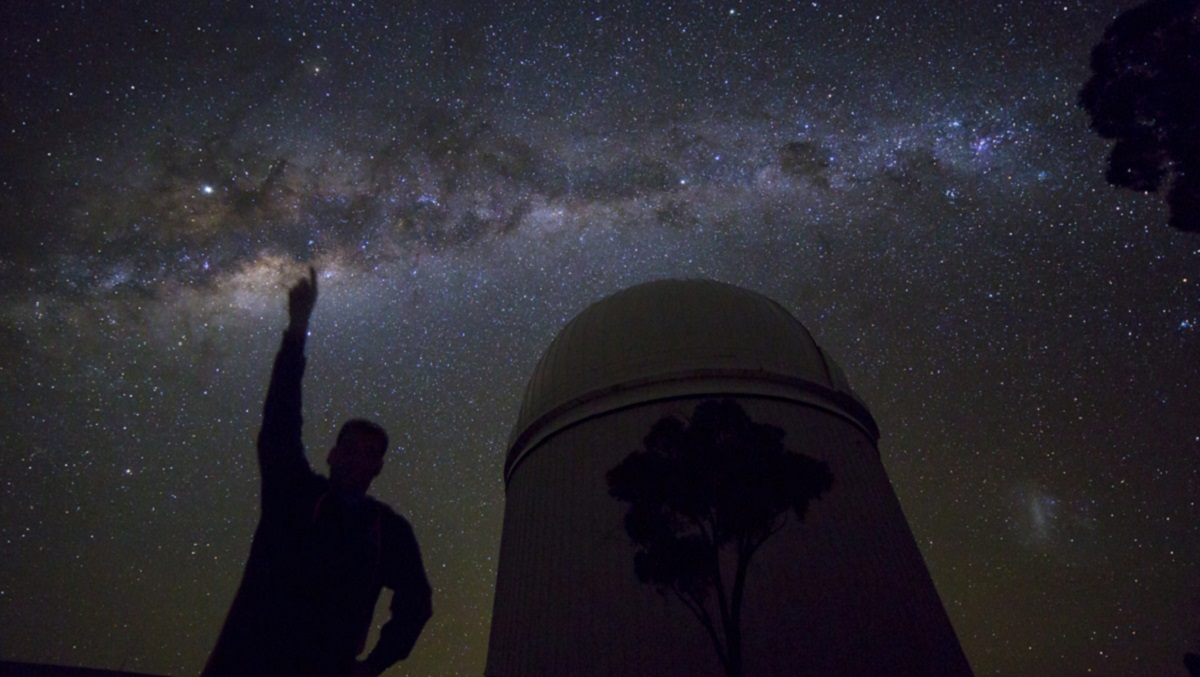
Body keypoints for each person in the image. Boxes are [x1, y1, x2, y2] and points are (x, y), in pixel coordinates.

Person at [203, 267, 432, 677]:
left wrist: (374, 665)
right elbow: (280, 422)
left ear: (378, 467)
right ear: (330, 454)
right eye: (348, 448)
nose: (355, 458)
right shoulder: (294, 495)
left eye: (367, 453)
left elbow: (417, 603)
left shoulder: (387, 532)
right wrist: (296, 331)